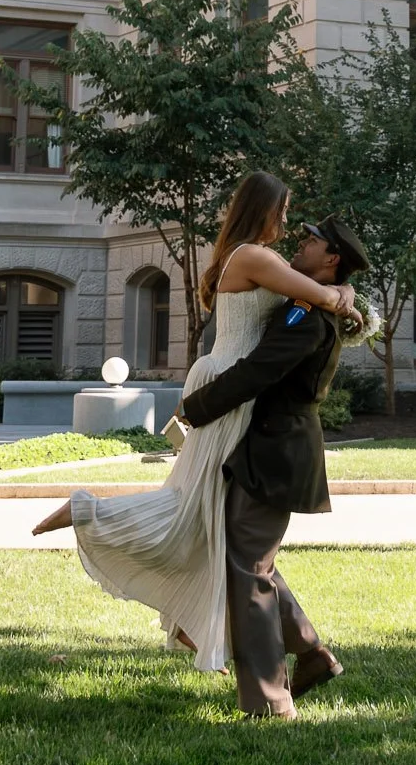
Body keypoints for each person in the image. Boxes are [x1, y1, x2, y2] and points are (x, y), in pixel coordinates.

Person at [29, 172, 357, 684]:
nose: (291, 225)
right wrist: (345, 292)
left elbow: (320, 299)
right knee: (199, 515)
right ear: (264, 210)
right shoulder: (257, 257)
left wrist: (342, 290)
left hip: (227, 387)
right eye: (286, 211)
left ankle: (287, 647)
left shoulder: (249, 256)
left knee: (221, 530)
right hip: (228, 391)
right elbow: (323, 297)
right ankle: (92, 512)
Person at [174, 211, 370, 718]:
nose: (299, 246)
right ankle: (310, 655)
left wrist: (194, 408)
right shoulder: (305, 306)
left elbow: (258, 371)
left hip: (278, 451)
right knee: (250, 560)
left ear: (331, 259)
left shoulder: (306, 319)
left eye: (310, 242)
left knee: (249, 569)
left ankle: (269, 699)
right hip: (268, 447)